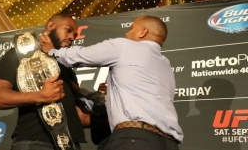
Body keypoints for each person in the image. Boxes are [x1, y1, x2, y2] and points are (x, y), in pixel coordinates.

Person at [39, 15, 184, 150]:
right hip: (169, 144)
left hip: (135, 140)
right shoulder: (165, 65)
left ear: (142, 32)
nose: (127, 34)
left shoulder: (126, 46)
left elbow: (80, 56)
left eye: (131, 29)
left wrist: (52, 51)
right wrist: (79, 92)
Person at [0, 14, 93, 150]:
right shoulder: (20, 55)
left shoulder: (66, 67)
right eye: (68, 30)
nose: (72, 37)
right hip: (35, 143)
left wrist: (118, 118)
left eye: (74, 33)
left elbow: (77, 115)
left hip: (71, 145)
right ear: (51, 27)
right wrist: (40, 96)